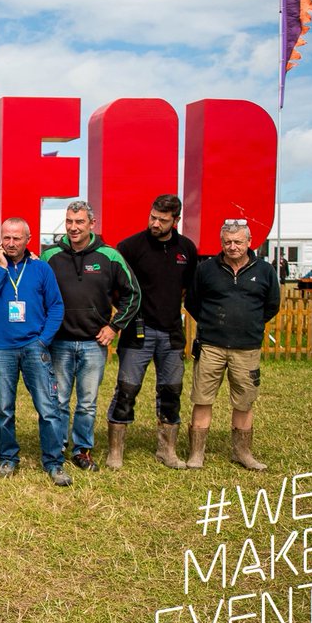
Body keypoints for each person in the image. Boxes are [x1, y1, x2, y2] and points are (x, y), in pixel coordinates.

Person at [41, 201, 140, 472]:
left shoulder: (110, 256)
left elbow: (133, 293)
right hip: (59, 342)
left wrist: (114, 326)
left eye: (79, 222)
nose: (73, 227)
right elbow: (38, 292)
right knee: (58, 399)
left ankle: (82, 449)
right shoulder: (50, 255)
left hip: (94, 343)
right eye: (70, 222)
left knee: (86, 403)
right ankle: (58, 447)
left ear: (91, 224)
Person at [104, 194, 198, 469]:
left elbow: (187, 289)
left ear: (176, 221)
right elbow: (116, 288)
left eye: (163, 220)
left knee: (171, 391)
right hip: (138, 332)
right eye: (153, 217)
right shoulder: (131, 247)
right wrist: (128, 315)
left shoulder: (187, 250)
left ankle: (167, 451)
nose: (155, 223)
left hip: (171, 333)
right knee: (126, 389)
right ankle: (115, 453)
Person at [0, 218, 67, 485]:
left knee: (48, 407)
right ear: (0, 240)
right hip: (0, 349)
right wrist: (2, 269)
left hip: (33, 347)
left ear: (28, 239)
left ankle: (53, 462)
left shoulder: (41, 269)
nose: (11, 243)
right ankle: (7, 457)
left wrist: (43, 340)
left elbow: (56, 306)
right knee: (4, 408)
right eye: (6, 238)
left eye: (17, 238)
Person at [184, 222, 281, 470]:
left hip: (246, 348)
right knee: (202, 399)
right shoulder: (206, 269)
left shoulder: (265, 270)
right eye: (227, 242)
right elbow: (193, 302)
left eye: (238, 241)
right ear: (221, 242)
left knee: (244, 402)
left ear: (249, 242)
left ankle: (242, 453)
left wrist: (250, 324)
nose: (233, 246)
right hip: (211, 346)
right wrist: (211, 324)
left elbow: (271, 305)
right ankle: (197, 454)